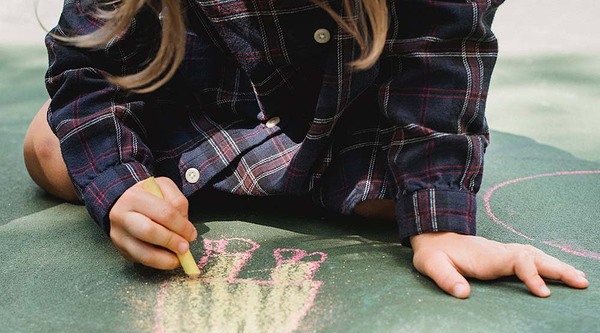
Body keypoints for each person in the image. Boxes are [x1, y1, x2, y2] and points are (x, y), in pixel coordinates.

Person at [23, 0, 588, 298]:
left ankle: (295, 183)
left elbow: (439, 54)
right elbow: (89, 69)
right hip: (199, 114)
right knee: (51, 148)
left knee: (408, 199)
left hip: (346, 118)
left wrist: (438, 218)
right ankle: (265, 186)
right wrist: (123, 189)